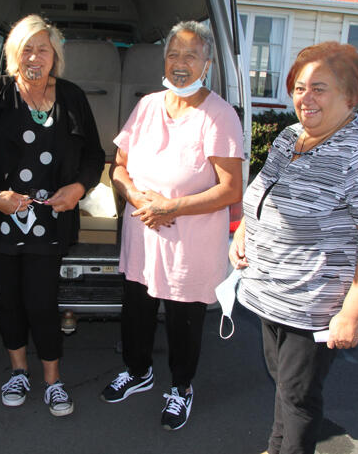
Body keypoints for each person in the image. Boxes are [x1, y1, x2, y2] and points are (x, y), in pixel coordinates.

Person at [228, 42, 358, 454]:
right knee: (284, 385)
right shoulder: (291, 137)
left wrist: (352, 315)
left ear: (351, 95)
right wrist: (243, 234)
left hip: (314, 306)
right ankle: (276, 448)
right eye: (299, 87)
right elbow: (262, 195)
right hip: (271, 294)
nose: (305, 98)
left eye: (319, 89)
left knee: (298, 398)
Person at [0, 14, 104, 417]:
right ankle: (19, 371)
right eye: (26, 48)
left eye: (43, 48)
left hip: (50, 220)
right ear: (12, 55)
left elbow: (93, 155)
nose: (35, 56)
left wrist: (78, 188)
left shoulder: (72, 96)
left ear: (55, 55)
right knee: (10, 301)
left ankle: (53, 380)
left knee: (41, 301)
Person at [100, 21, 244, 430]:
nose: (180, 64)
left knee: (183, 321)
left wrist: (172, 207)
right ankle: (138, 371)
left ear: (207, 64)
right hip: (142, 234)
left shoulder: (219, 115)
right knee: (137, 311)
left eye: (190, 56)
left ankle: (181, 388)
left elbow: (232, 189)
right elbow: (120, 167)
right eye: (173, 55)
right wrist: (134, 195)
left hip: (189, 246)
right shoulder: (147, 106)